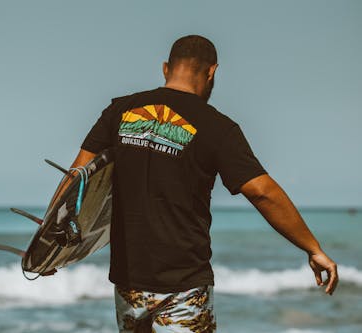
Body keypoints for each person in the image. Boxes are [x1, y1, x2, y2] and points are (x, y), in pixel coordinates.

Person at [67, 35, 338, 333]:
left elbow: (78, 177)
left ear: (166, 68)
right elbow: (262, 193)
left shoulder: (120, 110)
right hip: (183, 287)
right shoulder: (218, 127)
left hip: (129, 285)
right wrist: (312, 248)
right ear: (212, 72)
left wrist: (51, 243)